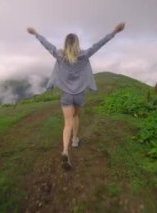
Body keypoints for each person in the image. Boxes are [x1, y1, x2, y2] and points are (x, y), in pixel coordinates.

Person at [27, 22, 125, 170]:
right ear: (77, 43)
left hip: (66, 95)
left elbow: (47, 45)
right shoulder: (84, 55)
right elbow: (99, 45)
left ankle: (65, 151)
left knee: (67, 123)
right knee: (76, 117)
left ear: (65, 44)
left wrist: (36, 34)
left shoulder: (59, 55)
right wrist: (114, 32)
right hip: (79, 94)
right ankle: (75, 140)